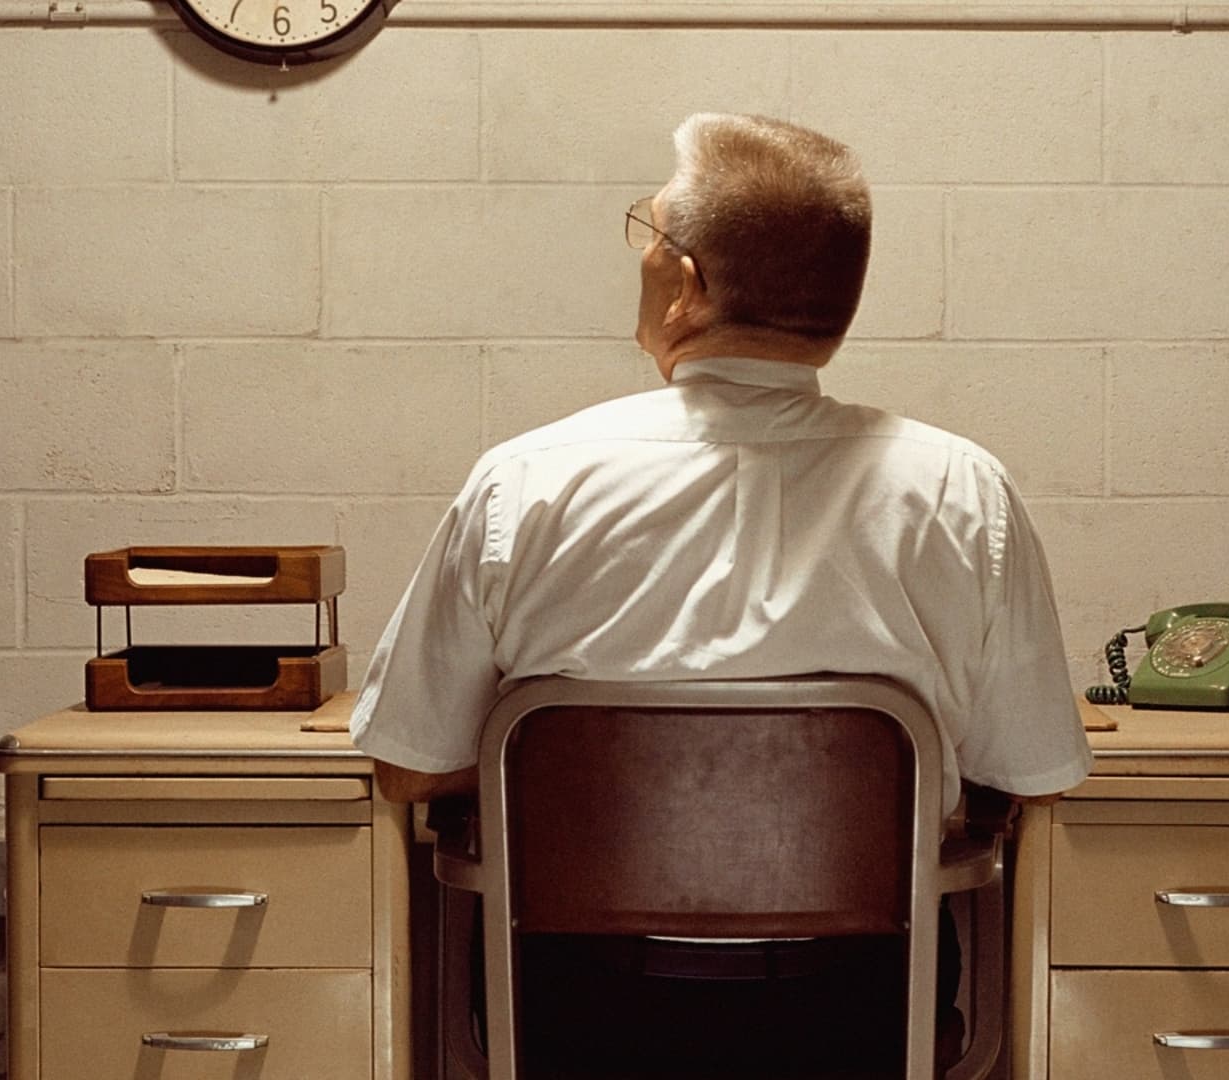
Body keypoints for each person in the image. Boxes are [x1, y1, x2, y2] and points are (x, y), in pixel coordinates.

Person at [351, 112, 1092, 1073]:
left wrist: (551, 771)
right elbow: (1033, 773)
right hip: (860, 1019)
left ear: (688, 285)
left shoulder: (526, 485)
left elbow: (408, 768)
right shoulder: (961, 490)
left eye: (650, 232)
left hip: (578, 1019)